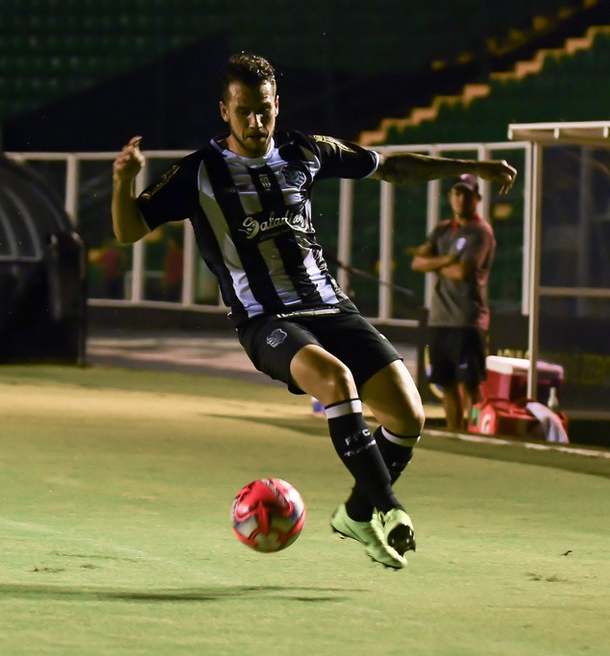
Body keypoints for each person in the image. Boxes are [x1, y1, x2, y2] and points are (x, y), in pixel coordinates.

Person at [111, 53, 517, 569]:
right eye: (243, 113)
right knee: (335, 379)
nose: (256, 123)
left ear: (277, 104)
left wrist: (472, 167)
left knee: (409, 416)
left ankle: (355, 512)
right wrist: (124, 182)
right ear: (224, 112)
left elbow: (389, 167)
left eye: (264, 110)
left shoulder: (306, 151)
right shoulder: (199, 173)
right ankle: (388, 511)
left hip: (330, 307)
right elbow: (127, 230)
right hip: (266, 320)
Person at [411, 174, 495, 431]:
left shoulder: (481, 232)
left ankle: (477, 437)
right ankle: (455, 435)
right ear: (450, 197)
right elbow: (417, 262)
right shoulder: (442, 229)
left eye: (467, 194)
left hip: (466, 320)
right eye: (457, 193)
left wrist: (434, 263)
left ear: (477, 198)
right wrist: (447, 260)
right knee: (446, 383)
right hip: (439, 318)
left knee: (470, 385)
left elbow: (463, 272)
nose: (460, 198)